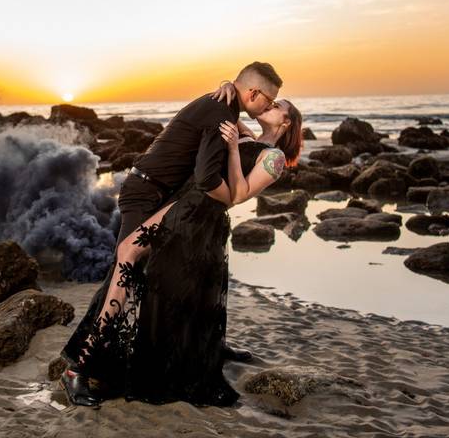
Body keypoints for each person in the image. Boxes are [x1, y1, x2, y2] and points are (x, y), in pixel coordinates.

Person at [60, 68, 302, 406]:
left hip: (196, 213)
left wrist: (233, 148)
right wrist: (227, 92)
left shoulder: (271, 156)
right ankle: (85, 363)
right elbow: (219, 124)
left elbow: (237, 194)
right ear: (251, 93)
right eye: (271, 99)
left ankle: (97, 362)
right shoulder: (242, 128)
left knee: (179, 282)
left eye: (278, 106)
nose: (271, 105)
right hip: (183, 208)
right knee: (145, 269)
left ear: (286, 123)